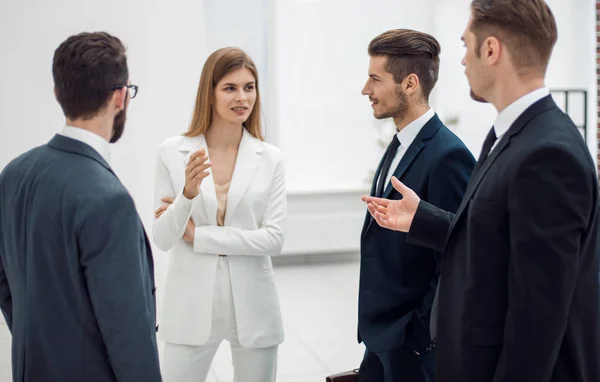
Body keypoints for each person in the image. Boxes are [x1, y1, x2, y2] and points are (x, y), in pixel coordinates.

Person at [362, 1, 600, 381]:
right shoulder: (514, 134)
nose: (460, 62)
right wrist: (424, 219)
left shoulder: (548, 153)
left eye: (464, 45)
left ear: (490, 50)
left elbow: (536, 320)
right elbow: (500, 243)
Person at [0, 32, 162, 382]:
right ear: (120, 97)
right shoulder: (109, 200)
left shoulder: (12, 175)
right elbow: (128, 335)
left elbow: (6, 285)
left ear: (59, 93)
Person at [153, 47, 285, 382]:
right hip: (190, 306)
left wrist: (200, 236)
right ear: (209, 93)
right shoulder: (173, 152)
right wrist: (187, 194)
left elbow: (274, 238)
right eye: (230, 88)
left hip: (254, 305)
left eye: (249, 87)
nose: (242, 97)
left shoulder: (270, 158)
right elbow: (164, 238)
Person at [357, 29, 475, 382]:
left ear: (409, 84)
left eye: (375, 79)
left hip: (411, 345)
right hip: (381, 337)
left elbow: (455, 252)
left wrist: (419, 336)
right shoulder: (398, 143)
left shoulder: (448, 155)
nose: (366, 90)